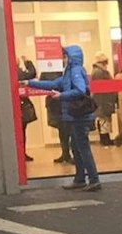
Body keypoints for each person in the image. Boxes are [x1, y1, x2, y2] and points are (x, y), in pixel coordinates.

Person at [26, 45, 100, 191]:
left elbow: (80, 90)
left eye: (65, 55)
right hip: (75, 115)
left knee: (82, 147)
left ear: (71, 58)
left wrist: (62, 96)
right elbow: (53, 84)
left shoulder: (75, 71)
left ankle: (93, 179)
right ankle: (80, 178)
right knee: (76, 146)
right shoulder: (69, 72)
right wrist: (29, 83)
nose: (63, 58)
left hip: (79, 115)